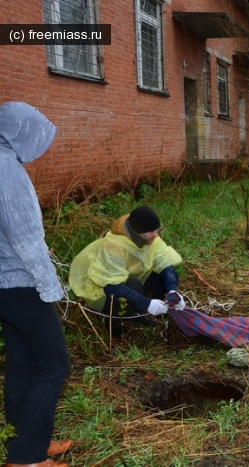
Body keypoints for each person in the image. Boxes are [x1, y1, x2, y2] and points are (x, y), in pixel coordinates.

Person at [0, 101, 72, 467]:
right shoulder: (6, 170)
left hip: (4, 287)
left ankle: (27, 441)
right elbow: (25, 237)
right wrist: (50, 286)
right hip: (19, 283)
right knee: (54, 364)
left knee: (22, 363)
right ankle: (26, 457)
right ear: (22, 132)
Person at [68, 205, 185, 338]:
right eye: (151, 231)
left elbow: (166, 266)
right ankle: (116, 325)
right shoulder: (113, 246)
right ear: (137, 232)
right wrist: (147, 303)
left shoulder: (150, 239)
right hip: (104, 290)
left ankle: (140, 312)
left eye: (156, 229)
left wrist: (172, 291)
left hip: (132, 279)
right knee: (131, 286)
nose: (156, 234)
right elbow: (111, 287)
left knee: (164, 277)